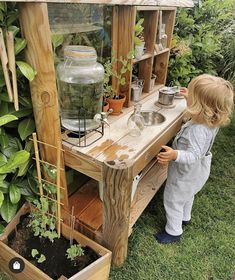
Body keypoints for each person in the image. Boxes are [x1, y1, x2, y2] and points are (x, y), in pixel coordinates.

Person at [155, 74, 234, 244]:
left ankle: (173, 231)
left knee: (173, 198)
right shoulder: (209, 120)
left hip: (186, 173)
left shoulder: (197, 130)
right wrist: (189, 98)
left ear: (200, 106)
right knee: (188, 195)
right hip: (198, 172)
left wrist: (174, 155)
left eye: (191, 95)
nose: (187, 96)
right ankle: (185, 217)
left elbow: (193, 155)